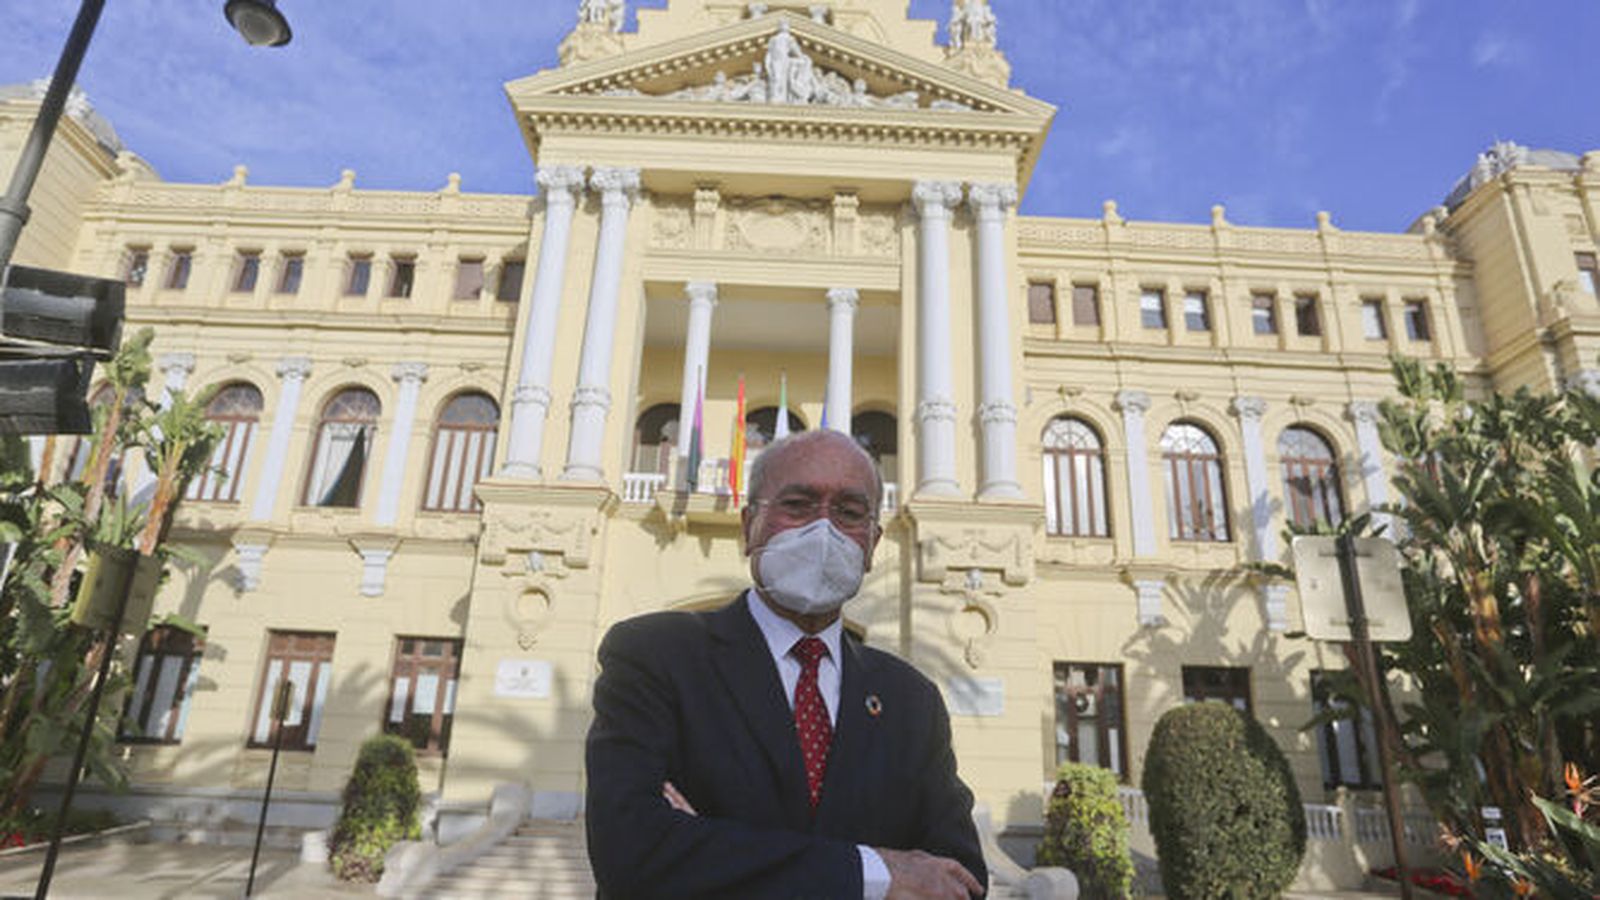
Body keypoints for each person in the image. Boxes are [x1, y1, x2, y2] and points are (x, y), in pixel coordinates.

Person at [586, 430, 987, 898]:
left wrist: (710, 852)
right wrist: (876, 874)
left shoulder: (910, 699)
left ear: (873, 543)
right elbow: (632, 851)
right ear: (748, 526)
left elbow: (961, 881)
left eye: (849, 512)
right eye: (797, 504)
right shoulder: (654, 655)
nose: (823, 529)